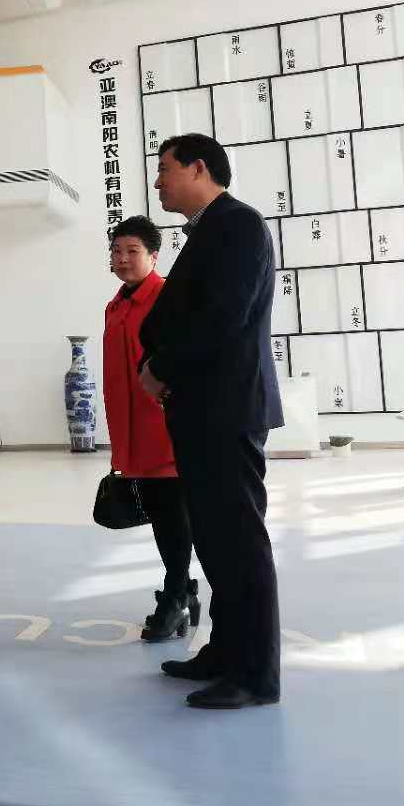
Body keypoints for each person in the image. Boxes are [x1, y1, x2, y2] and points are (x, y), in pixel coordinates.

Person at [140, 133, 284, 710]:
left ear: (199, 169)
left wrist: (161, 367)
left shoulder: (238, 225)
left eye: (165, 169)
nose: (158, 182)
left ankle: (255, 675)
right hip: (203, 408)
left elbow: (224, 316)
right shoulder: (207, 230)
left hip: (227, 407)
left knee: (239, 542)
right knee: (216, 541)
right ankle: (225, 653)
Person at [102, 215, 199, 642]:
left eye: (132, 251)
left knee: (172, 517)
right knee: (162, 516)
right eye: (116, 251)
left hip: (165, 429)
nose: (122, 258)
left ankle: (175, 598)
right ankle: (185, 591)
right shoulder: (115, 306)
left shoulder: (168, 297)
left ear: (154, 256)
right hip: (131, 432)